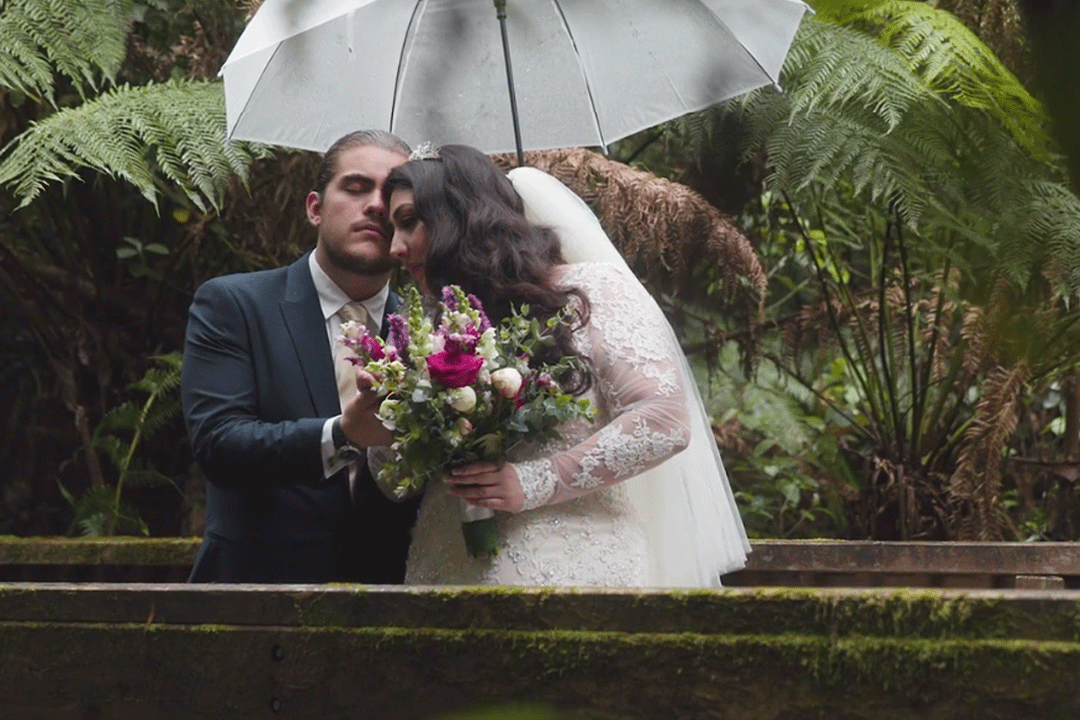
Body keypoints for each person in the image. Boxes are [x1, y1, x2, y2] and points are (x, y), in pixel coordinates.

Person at [369, 144, 749, 587]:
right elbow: (394, 483)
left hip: (577, 566)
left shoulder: (591, 292)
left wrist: (534, 482)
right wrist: (375, 420)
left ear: (460, 215)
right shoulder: (422, 327)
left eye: (409, 222)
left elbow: (663, 420)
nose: (395, 248)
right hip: (443, 567)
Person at [181, 129, 418, 583]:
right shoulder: (235, 305)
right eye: (355, 187)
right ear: (315, 207)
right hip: (255, 593)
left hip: (391, 597)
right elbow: (218, 444)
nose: (375, 205)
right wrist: (341, 434)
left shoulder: (433, 334)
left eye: (391, 195)